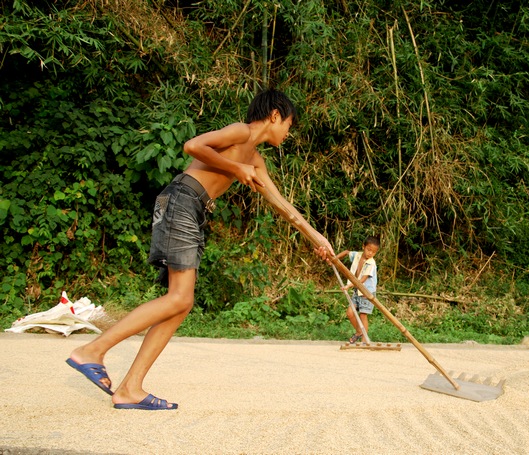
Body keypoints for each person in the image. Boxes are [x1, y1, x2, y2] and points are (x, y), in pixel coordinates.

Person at [66, 88, 334, 410]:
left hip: (193, 209)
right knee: (180, 298)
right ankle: (92, 352)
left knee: (180, 304)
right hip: (182, 200)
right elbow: (192, 146)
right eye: (289, 124)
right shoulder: (241, 132)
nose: (288, 133)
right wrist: (235, 169)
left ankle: (129, 389)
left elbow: (281, 204)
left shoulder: (256, 159)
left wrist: (316, 237)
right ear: (275, 115)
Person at [336, 235, 381, 343]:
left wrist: (348, 286)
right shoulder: (357, 255)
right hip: (357, 290)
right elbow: (347, 252)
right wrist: (335, 259)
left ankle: (365, 340)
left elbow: (362, 280)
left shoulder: (371, 263)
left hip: (366, 292)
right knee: (350, 313)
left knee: (363, 315)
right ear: (363, 246)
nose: (370, 253)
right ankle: (359, 332)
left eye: (373, 252)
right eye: (368, 249)